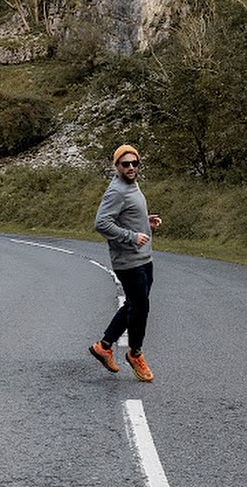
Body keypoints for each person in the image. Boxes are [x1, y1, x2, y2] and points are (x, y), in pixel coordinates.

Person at [89, 144, 162, 382]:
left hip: (143, 257)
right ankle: (135, 354)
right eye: (125, 164)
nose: (131, 167)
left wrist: (145, 221)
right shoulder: (117, 191)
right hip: (128, 261)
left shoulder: (132, 185)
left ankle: (104, 346)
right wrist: (131, 236)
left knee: (134, 304)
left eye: (134, 163)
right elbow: (102, 223)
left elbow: (125, 216)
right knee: (140, 308)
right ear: (117, 166)